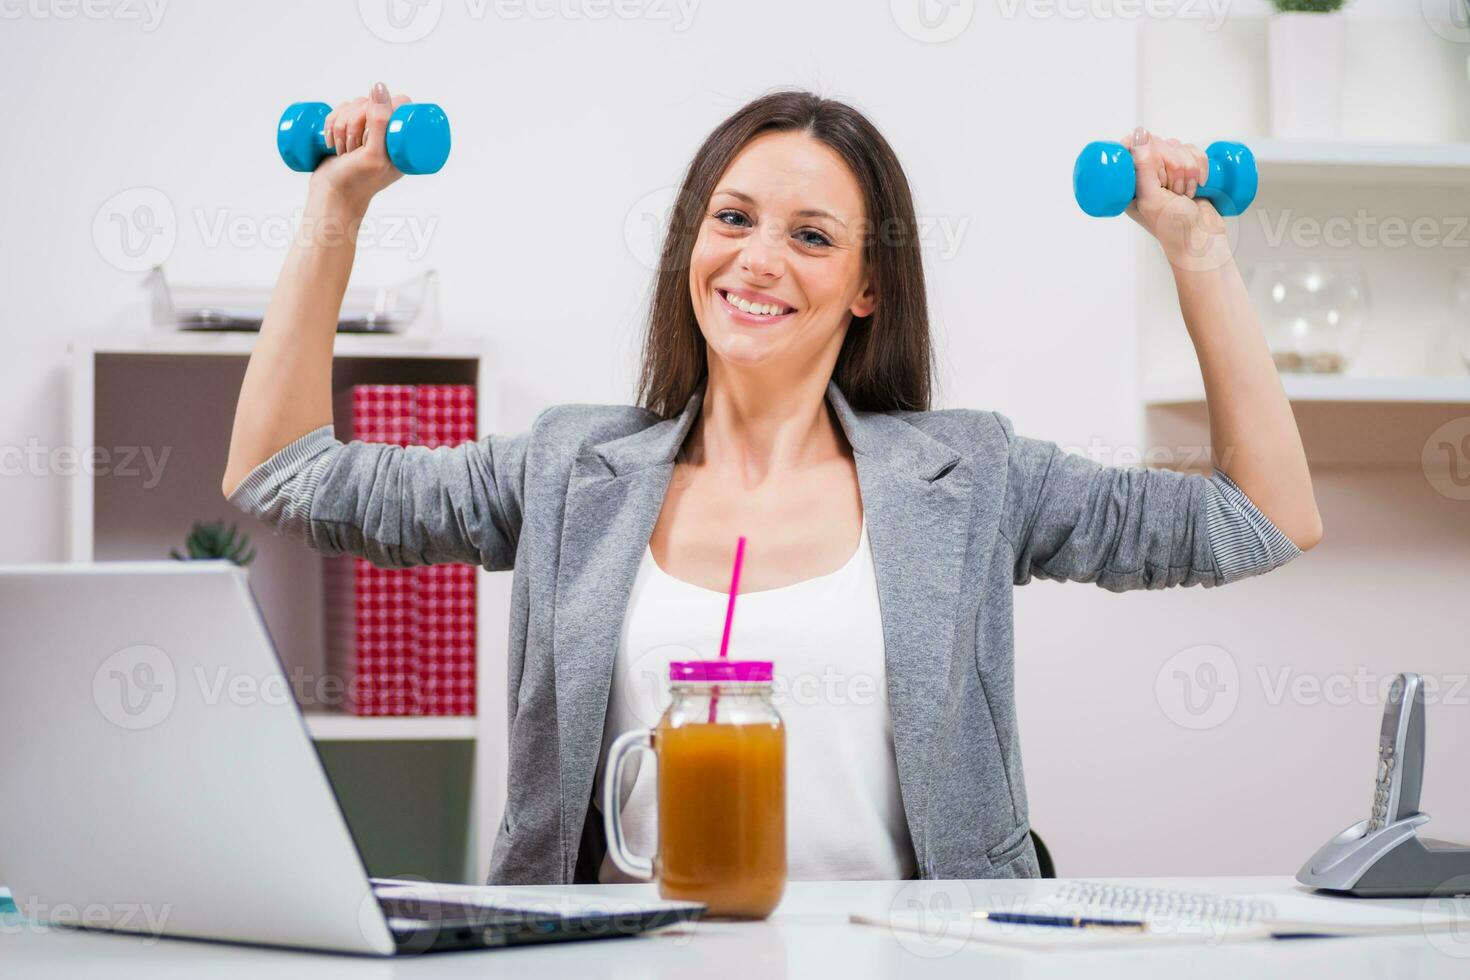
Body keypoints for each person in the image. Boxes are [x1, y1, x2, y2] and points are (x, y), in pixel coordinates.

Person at [223, 83, 1320, 885]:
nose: (757, 260)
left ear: (868, 286)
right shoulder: (568, 472)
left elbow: (1261, 517)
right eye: (734, 218)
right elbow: (283, 475)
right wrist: (338, 209)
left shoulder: (972, 476)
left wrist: (1196, 248)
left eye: (811, 236)